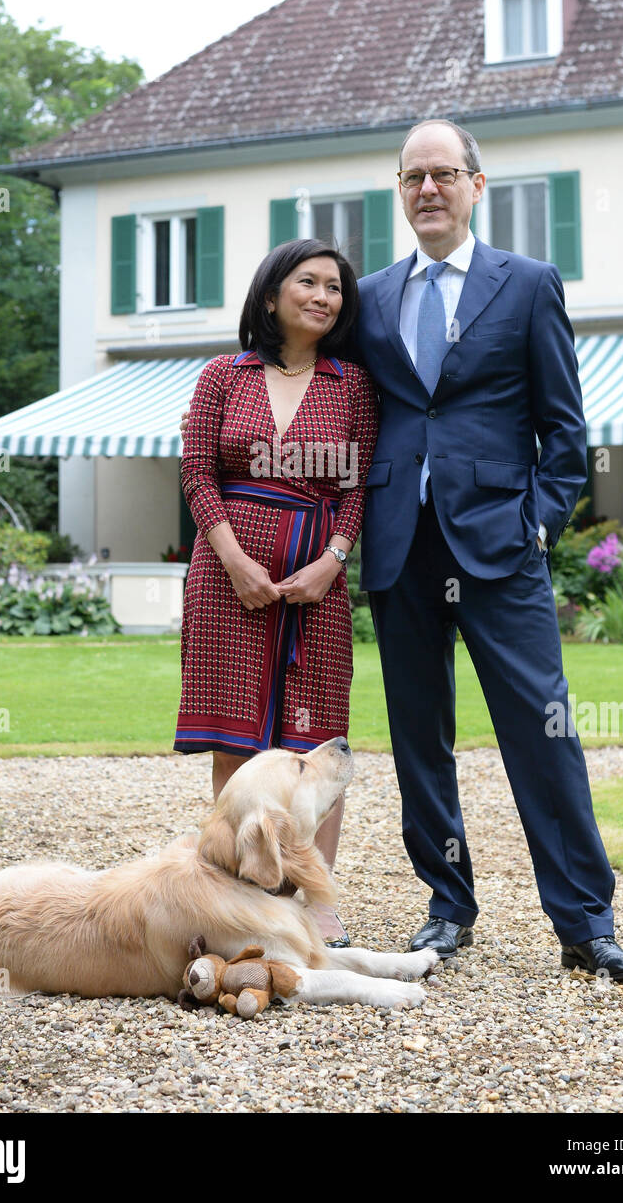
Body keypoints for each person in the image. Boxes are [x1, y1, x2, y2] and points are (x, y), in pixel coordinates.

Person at [351, 117, 623, 981]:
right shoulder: (368, 298)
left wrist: (540, 523)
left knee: (541, 731)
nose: (429, 189)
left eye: (444, 174)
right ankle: (447, 906)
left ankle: (585, 923)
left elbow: (565, 429)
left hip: (501, 549)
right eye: (413, 178)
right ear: (399, 192)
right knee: (419, 738)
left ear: (478, 185)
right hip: (401, 545)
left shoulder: (528, 285)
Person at [174, 238, 379, 946]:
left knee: (315, 741)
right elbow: (198, 473)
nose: (325, 296)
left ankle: (318, 903)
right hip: (226, 579)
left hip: (316, 587)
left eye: (335, 288)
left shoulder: (351, 385)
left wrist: (332, 560)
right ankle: (238, 895)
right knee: (235, 739)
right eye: (309, 282)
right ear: (271, 295)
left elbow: (357, 487)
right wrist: (233, 560)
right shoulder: (221, 376)